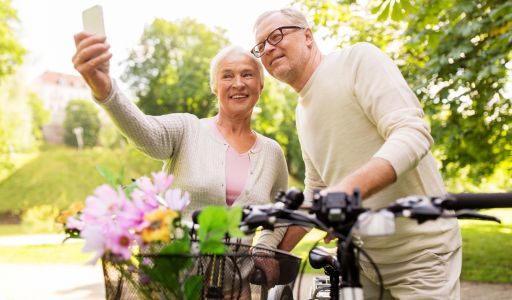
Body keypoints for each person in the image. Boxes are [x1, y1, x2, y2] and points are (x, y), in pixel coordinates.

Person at [252, 8, 462, 300]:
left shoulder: (357, 60)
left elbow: (412, 132)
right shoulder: (302, 111)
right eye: (260, 46)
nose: (268, 48)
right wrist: (272, 249)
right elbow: (318, 192)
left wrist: (347, 191)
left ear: (308, 36)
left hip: (420, 255)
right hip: (364, 261)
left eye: (276, 36)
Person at [72, 33, 291, 290]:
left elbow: (280, 213)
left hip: (233, 290)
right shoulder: (188, 129)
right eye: (227, 75)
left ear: (260, 86)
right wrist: (106, 89)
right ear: (214, 86)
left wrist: (264, 248)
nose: (238, 83)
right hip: (170, 284)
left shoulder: (272, 152)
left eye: (247, 74)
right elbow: (145, 132)